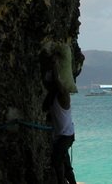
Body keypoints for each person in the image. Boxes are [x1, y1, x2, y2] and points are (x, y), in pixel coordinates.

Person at [42, 55, 77, 184]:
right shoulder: (51, 98)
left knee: (56, 161)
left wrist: (55, 65)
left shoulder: (64, 96)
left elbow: (57, 80)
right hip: (61, 136)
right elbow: (44, 108)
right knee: (65, 163)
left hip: (66, 136)